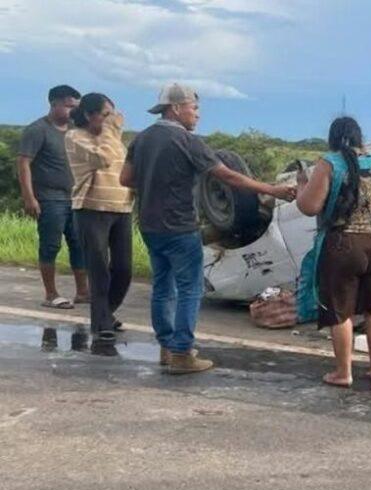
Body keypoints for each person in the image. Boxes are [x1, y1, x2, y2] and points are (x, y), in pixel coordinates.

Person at [120, 83, 295, 374]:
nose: (197, 114)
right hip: (179, 226)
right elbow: (227, 177)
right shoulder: (188, 142)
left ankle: (167, 347)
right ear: (176, 108)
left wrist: (155, 185)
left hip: (150, 226)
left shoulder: (142, 139)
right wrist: (271, 189)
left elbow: (125, 178)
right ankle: (182, 353)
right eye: (194, 107)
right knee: (190, 288)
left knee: (163, 286)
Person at [296, 117, 371, 387]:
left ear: (333, 138)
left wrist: (302, 185)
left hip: (344, 243)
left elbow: (309, 207)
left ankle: (343, 372)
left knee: (340, 311)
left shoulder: (329, 163)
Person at [64, 93, 133, 356]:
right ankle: (102, 323)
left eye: (112, 115)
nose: (110, 120)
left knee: (124, 268)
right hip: (91, 208)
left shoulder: (113, 138)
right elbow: (102, 159)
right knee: (99, 269)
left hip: (121, 208)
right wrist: (110, 130)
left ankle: (105, 313)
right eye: (105, 114)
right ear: (89, 115)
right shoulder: (75, 137)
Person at [17, 85, 89, 309]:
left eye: (76, 107)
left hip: (75, 197)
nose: (72, 111)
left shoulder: (76, 130)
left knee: (79, 244)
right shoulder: (38, 130)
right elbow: (23, 163)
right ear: (54, 104)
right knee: (51, 245)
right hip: (50, 197)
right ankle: (51, 293)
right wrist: (30, 198)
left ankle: (83, 292)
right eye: (68, 106)